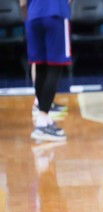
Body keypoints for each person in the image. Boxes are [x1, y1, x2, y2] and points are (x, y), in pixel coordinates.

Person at [20, 0, 72, 141]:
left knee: (40, 65)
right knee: (55, 67)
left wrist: (28, 16)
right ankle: (42, 121)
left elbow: (22, 3)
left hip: (33, 15)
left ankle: (43, 116)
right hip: (55, 13)